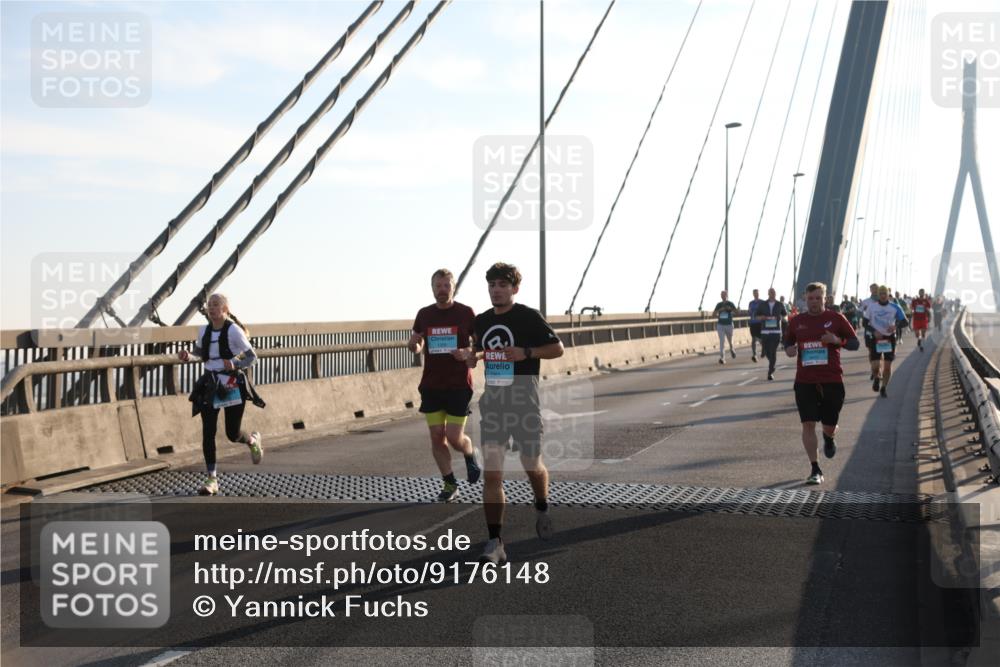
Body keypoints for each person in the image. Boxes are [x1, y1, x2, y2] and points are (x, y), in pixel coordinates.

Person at [467, 263, 564, 565]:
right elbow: (481, 351)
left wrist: (527, 352)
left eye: (502, 284)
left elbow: (558, 348)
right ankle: (495, 543)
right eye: (492, 284)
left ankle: (542, 505)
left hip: (524, 401)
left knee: (531, 464)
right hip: (494, 404)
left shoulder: (527, 316)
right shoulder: (482, 321)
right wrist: (472, 356)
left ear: (514, 288)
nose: (496, 289)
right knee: (493, 474)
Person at [180, 293, 265, 496]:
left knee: (232, 433)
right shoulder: (204, 331)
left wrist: (235, 363)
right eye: (209, 305)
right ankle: (212, 479)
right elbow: (200, 353)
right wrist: (188, 356)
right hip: (210, 383)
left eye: (216, 305)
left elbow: (253, 358)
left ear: (225, 310)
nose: (211, 308)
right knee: (208, 432)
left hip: (231, 383)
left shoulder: (234, 331)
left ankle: (252, 441)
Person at [409, 269, 481, 502]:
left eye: (446, 286)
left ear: (453, 287)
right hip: (431, 384)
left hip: (459, 384)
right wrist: (414, 346)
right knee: (436, 436)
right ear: (432, 288)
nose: (442, 290)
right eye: (437, 286)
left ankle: (469, 452)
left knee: (453, 437)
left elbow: (479, 346)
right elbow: (418, 343)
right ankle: (450, 484)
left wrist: (468, 353)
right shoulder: (424, 314)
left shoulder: (466, 313)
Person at [782, 282, 860, 484]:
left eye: (818, 298)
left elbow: (854, 343)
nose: (814, 302)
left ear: (826, 298)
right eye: (810, 298)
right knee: (807, 424)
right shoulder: (797, 321)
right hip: (805, 380)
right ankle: (815, 468)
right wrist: (789, 349)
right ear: (805, 299)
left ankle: (829, 437)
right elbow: (788, 341)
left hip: (831, 379)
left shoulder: (836, 319)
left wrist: (837, 340)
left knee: (829, 425)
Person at [867, 285, 908, 398]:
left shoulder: (895, 307)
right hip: (876, 338)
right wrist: (874, 331)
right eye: (881, 294)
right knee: (875, 366)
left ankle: (884, 387)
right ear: (878, 295)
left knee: (887, 366)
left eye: (885, 294)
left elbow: (905, 322)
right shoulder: (872, 307)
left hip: (889, 339)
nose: (883, 296)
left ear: (888, 295)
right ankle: (876, 377)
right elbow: (865, 323)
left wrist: (895, 326)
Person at [754, 287, 787, 381]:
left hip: (776, 331)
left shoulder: (779, 304)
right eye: (771, 292)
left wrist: (781, 317)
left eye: (774, 292)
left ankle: (770, 371)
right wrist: (762, 317)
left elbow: (785, 314)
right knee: (768, 352)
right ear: (768, 293)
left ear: (775, 294)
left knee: (773, 351)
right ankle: (766, 353)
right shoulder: (763, 304)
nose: (772, 294)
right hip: (765, 331)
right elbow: (756, 316)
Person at [712, 290, 738, 364]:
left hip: (729, 324)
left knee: (730, 341)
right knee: (722, 341)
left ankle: (732, 348)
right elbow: (713, 314)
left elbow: (737, 312)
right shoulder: (719, 304)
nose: (723, 296)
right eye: (722, 295)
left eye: (724, 295)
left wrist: (730, 309)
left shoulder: (730, 303)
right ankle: (722, 358)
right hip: (720, 325)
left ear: (727, 295)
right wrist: (720, 310)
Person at [860, 283, 880, 379]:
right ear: (870, 290)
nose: (874, 290)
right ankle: (873, 369)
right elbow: (860, 312)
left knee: (880, 351)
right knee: (871, 351)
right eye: (872, 289)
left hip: (881, 330)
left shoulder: (883, 301)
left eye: (876, 289)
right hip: (869, 330)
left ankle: (878, 370)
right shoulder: (865, 302)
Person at [747, 289, 765, 363]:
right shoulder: (751, 303)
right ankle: (754, 355)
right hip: (753, 323)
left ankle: (764, 348)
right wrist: (750, 312)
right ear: (753, 294)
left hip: (760, 323)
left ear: (759, 294)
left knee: (760, 339)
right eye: (754, 293)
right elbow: (749, 312)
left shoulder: (762, 302)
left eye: (757, 293)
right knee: (753, 339)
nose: (756, 294)